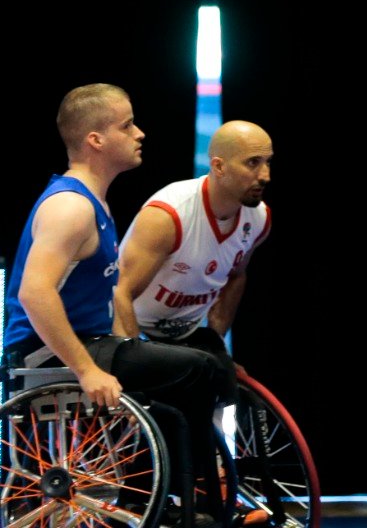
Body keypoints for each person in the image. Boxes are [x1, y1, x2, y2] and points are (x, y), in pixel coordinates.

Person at [3, 84, 233, 525]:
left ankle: (184, 496)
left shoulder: (98, 203)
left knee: (200, 365)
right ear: (96, 139)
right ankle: (198, 501)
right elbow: (34, 293)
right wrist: (88, 370)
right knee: (200, 369)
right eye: (127, 125)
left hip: (91, 340)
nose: (140, 133)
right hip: (46, 352)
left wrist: (129, 344)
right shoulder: (71, 207)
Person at [115, 120, 275, 393]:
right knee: (196, 373)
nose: (265, 175)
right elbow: (120, 291)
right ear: (219, 166)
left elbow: (236, 276)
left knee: (221, 375)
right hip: (128, 327)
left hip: (184, 334)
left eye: (268, 162)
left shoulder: (258, 218)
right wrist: (134, 369)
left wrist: (217, 341)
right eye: (253, 163)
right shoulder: (168, 216)